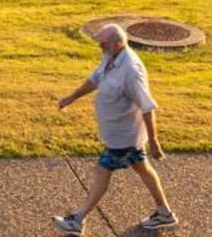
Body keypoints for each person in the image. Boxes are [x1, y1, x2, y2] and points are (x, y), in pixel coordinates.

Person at [53, 22, 178, 232]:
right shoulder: (111, 56)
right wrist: (72, 97)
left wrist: (154, 141)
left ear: (118, 43)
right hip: (119, 135)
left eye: (103, 44)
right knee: (143, 169)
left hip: (125, 138)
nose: (100, 48)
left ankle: (78, 220)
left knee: (102, 171)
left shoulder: (131, 71)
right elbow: (95, 79)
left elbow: (148, 107)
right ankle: (165, 213)